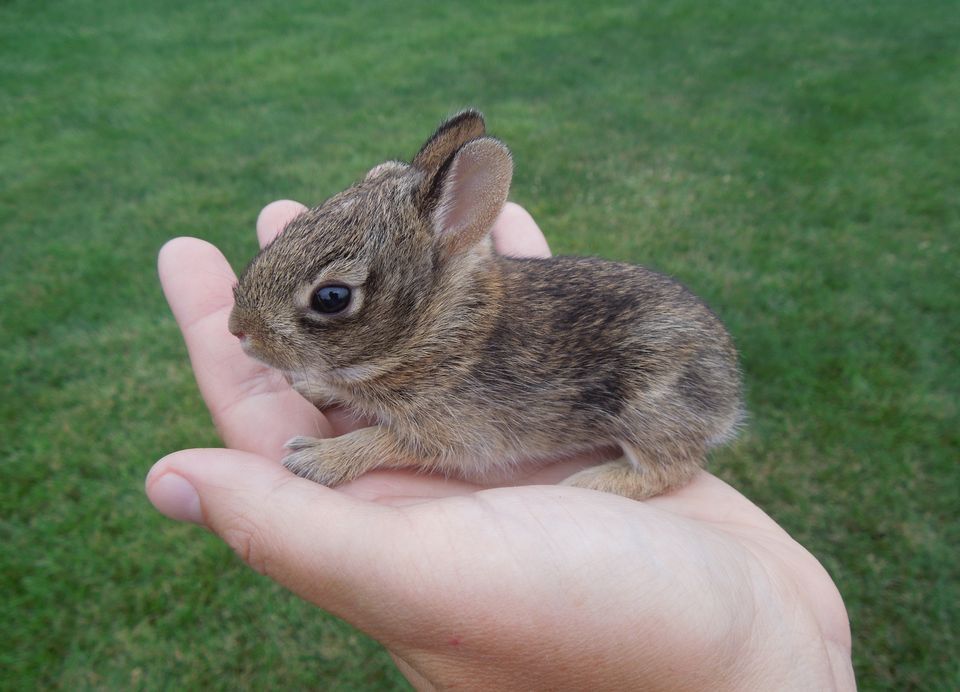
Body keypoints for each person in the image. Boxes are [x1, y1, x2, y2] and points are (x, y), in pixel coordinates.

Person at [147, 200, 855, 690]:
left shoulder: (454, 357)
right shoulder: (409, 345)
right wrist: (333, 372)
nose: (240, 330)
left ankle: (656, 471)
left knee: (657, 372)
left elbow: (453, 442)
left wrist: (354, 451)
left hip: (670, 369)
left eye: (331, 302)